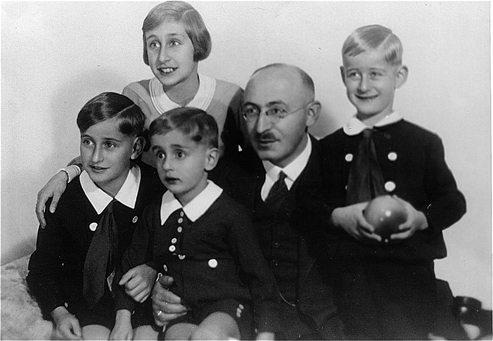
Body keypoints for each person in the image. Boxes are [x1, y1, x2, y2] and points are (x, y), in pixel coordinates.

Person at [153, 63, 345, 340]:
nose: (262, 126)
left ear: (311, 114)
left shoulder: (345, 177)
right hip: (240, 326)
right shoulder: (221, 175)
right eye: (252, 111)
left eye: (277, 111)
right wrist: (158, 280)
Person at [35, 0, 248, 228]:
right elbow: (110, 146)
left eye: (174, 42)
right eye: (153, 44)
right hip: (151, 217)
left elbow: (254, 164)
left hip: (214, 219)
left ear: (197, 43)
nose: (162, 56)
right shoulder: (136, 94)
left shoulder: (230, 96)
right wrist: (67, 173)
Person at [320, 24, 467, 339]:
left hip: (410, 276)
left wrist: (422, 218)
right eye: (354, 74)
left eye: (375, 74)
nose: (363, 85)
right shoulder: (330, 147)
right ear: (343, 75)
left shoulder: (422, 142)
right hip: (351, 276)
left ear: (398, 76)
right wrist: (336, 215)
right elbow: (307, 203)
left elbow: (453, 201)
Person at [114, 107, 280, 340]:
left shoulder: (230, 214)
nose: (167, 165)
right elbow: (130, 266)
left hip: (228, 308)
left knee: (207, 337)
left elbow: (259, 278)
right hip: (182, 311)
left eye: (179, 154)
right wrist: (122, 320)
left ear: (210, 159)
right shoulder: (154, 213)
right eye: (160, 154)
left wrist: (266, 333)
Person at [26, 92, 165, 340]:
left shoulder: (157, 191)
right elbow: (42, 269)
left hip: (141, 302)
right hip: (87, 306)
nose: (95, 157)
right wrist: (59, 314)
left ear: (135, 148)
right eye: (87, 142)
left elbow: (176, 248)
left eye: (110, 145)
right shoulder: (62, 199)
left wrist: (153, 268)